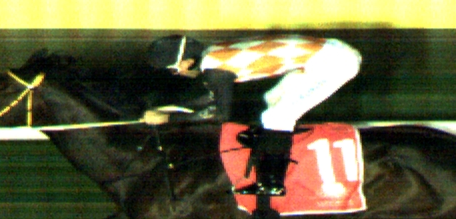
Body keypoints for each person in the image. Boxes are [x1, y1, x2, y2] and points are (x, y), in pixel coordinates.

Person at [138, 34, 362, 199]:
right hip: (327, 53)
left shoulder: (215, 70)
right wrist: (168, 110)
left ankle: (272, 184)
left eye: (174, 70)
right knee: (272, 98)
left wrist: (167, 120)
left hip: (337, 64)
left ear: (187, 62)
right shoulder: (212, 54)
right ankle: (272, 142)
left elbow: (219, 115)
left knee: (277, 117)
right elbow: (211, 98)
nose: (178, 74)